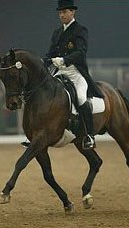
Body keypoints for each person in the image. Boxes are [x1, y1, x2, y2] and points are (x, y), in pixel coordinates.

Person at [43, 0, 104, 149]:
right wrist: (43, 61)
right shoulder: (57, 32)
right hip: (59, 71)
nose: (61, 15)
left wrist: (64, 59)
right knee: (44, 93)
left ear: (73, 12)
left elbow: (81, 52)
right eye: (60, 13)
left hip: (75, 72)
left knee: (82, 97)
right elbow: (50, 53)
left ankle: (90, 135)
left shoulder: (80, 30)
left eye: (64, 12)